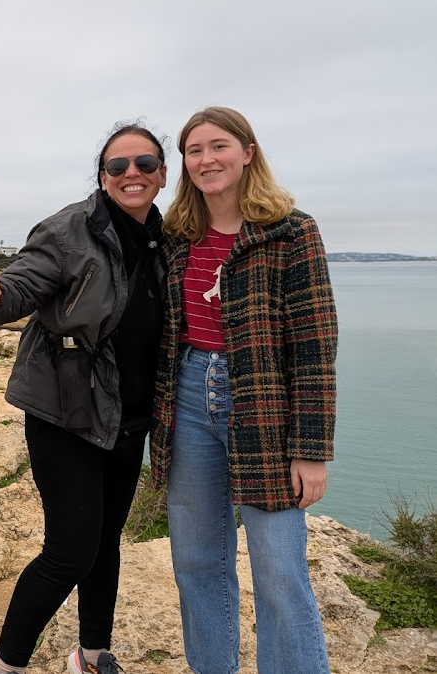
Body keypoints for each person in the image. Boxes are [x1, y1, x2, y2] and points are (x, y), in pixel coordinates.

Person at [0, 122, 168, 674]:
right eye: (118, 166)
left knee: (106, 541)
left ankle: (92, 655)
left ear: (162, 175)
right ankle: (7, 665)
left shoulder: (166, 239)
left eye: (144, 164)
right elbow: (20, 288)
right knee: (70, 550)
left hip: (128, 417)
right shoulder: (68, 230)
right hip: (66, 411)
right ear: (102, 177)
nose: (131, 174)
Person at [150, 106, 338, 674]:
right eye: (195, 150)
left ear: (248, 153)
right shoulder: (177, 236)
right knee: (196, 562)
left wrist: (311, 450)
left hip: (263, 405)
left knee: (279, 570)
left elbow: (315, 345)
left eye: (219, 146)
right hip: (187, 397)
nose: (207, 159)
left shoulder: (291, 231)